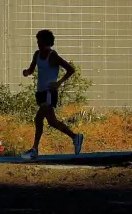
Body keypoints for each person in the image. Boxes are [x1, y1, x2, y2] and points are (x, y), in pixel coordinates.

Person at [20, 29, 85, 160]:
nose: (37, 43)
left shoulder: (52, 55)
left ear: (45, 41)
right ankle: (75, 137)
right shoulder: (37, 54)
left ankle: (34, 150)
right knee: (52, 122)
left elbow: (70, 69)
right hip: (40, 92)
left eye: (39, 41)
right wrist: (26, 72)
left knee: (39, 119)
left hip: (50, 92)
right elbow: (32, 69)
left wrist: (59, 83)